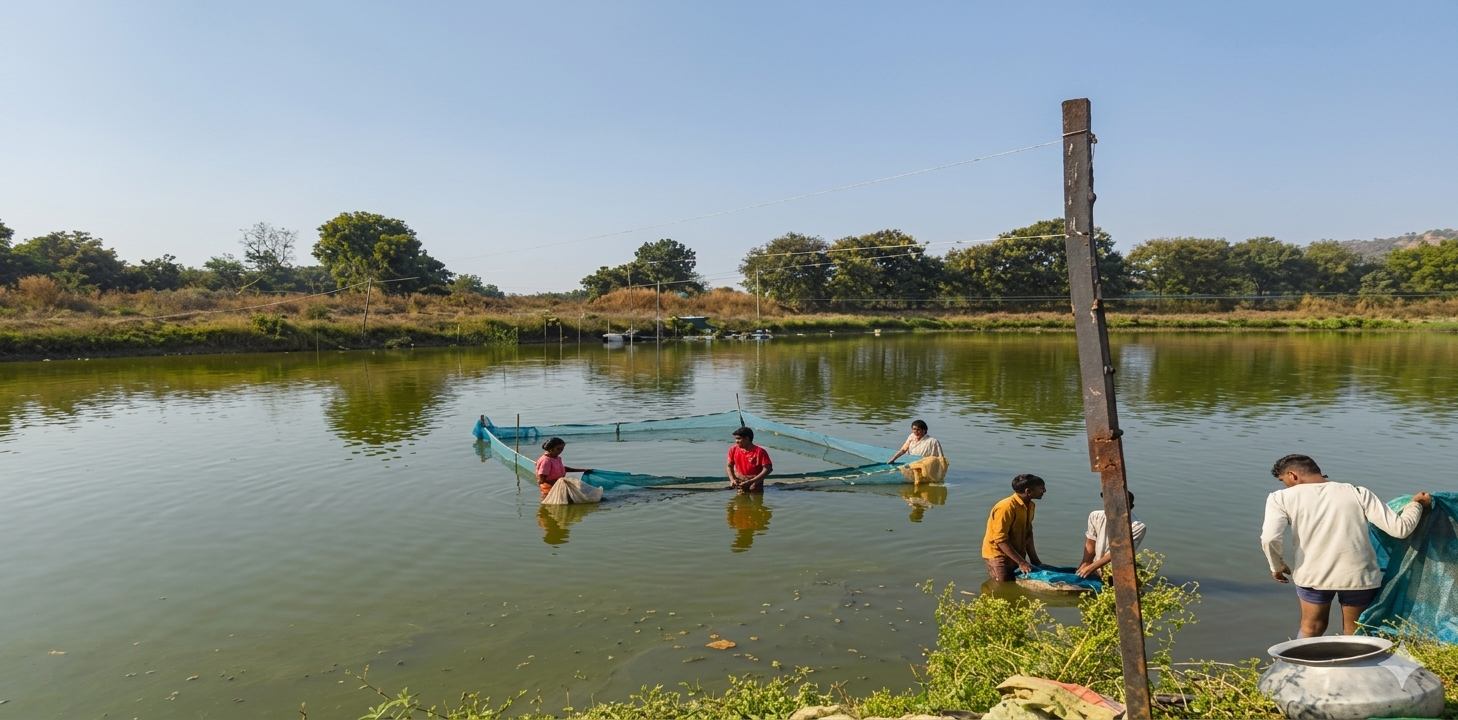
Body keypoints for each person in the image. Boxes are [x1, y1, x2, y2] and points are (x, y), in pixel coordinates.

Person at [1261, 454, 1432, 637]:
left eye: (1283, 480)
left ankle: (1299, 665)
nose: (1285, 486)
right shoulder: (1357, 492)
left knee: (1311, 628)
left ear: (1293, 475)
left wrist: (1276, 565)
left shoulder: (1280, 498)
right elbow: (1400, 529)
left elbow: (1270, 538)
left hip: (1313, 575)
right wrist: (1415, 505)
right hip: (1359, 576)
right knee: (1354, 633)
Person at [982, 474, 1046, 581]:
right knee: (1003, 585)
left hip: (1017, 552)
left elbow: (1028, 534)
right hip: (998, 555)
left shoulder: (1030, 506)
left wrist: (1035, 561)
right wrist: (1021, 562)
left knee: (1015, 581)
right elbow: (1000, 540)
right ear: (1028, 491)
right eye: (1041, 488)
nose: (1044, 491)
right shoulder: (1006, 507)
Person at [1076, 492, 1146, 579]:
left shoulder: (1136, 526)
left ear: (1130, 507)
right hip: (1095, 565)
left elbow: (1118, 552)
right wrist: (1086, 563)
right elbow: (1090, 543)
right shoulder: (1095, 516)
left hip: (1116, 570)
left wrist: (1091, 567)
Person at [726, 426, 772, 493]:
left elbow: (768, 469)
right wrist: (732, 479)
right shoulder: (733, 450)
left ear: (747, 439)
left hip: (755, 482)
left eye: (739, 439)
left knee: (757, 500)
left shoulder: (760, 451)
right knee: (741, 501)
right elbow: (729, 466)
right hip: (740, 481)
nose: (736, 441)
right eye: (736, 439)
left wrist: (752, 481)